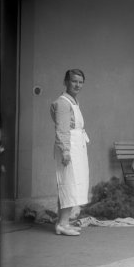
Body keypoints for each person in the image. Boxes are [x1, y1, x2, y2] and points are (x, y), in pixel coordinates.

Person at [50, 69, 90, 236]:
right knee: (68, 184)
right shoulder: (63, 103)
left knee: (73, 185)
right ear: (66, 82)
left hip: (76, 145)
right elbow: (62, 129)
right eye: (74, 81)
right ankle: (62, 224)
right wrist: (65, 151)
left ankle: (63, 222)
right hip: (68, 147)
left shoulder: (73, 101)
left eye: (80, 82)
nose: (77, 85)